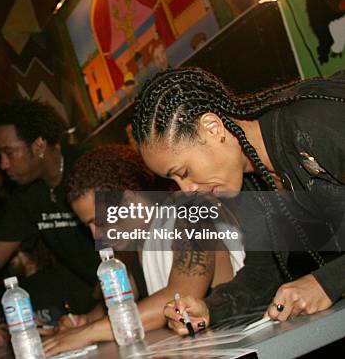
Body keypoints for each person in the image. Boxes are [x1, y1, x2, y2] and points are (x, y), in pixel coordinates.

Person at [129, 67, 345, 335]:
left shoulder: (313, 122)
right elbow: (264, 274)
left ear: (212, 128)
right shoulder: (249, 182)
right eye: (174, 182)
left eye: (183, 173)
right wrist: (209, 309)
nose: (188, 189)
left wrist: (327, 282)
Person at [42, 144, 245, 356]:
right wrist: (86, 321)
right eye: (88, 226)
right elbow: (122, 301)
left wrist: (88, 333)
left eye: (97, 221)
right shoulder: (135, 241)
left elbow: (181, 294)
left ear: (128, 200)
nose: (95, 235)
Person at [0, 99, 99, 303]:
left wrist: (102, 300)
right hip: (98, 295)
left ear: (39, 145)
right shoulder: (26, 193)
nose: (3, 164)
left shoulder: (91, 165)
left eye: (9, 153)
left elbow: (134, 237)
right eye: (0, 155)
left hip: (132, 284)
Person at [0, 237, 96, 348]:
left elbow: (86, 320)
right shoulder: (11, 291)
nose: (7, 260)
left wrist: (53, 330)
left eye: (12, 254)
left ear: (25, 254)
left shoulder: (63, 279)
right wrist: (2, 333)